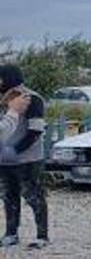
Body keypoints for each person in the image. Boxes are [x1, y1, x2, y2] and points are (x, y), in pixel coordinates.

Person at [0, 65, 48, 249]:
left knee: (34, 196)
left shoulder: (31, 98)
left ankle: (42, 236)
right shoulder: (4, 99)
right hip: (4, 159)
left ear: (8, 78)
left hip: (28, 158)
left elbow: (35, 130)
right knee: (8, 197)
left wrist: (16, 150)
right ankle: (11, 234)